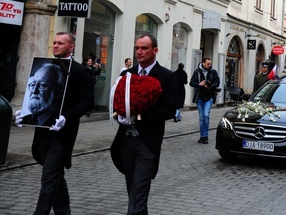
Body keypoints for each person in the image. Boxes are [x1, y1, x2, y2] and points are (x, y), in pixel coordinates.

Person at [15, 32, 95, 215]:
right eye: (54, 42)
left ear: (71, 47)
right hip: (43, 132)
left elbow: (87, 101)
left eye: (60, 43)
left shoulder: (81, 71)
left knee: (49, 176)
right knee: (55, 175)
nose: (56, 45)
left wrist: (67, 117)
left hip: (63, 134)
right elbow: (34, 96)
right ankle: (63, 211)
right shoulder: (45, 66)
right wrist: (26, 113)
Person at [110, 34, 178, 215]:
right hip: (125, 141)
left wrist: (140, 116)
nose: (139, 52)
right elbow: (118, 102)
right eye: (137, 48)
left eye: (144, 48)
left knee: (138, 193)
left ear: (155, 50)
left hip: (147, 143)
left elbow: (170, 109)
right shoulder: (127, 74)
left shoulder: (167, 77)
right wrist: (120, 116)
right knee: (133, 192)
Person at [190, 57, 220, 144]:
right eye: (208, 64)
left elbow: (217, 82)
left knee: (206, 115)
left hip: (209, 97)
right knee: (201, 117)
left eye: (210, 63)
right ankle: (202, 136)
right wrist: (199, 84)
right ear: (203, 63)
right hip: (200, 97)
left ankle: (206, 136)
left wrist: (210, 85)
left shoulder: (213, 72)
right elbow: (191, 83)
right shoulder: (197, 72)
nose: (209, 65)